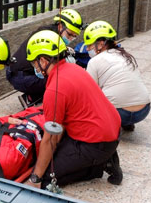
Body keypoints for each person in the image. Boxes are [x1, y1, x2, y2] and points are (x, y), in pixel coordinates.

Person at [23, 30, 123, 189]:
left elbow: (51, 139)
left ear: (43, 61)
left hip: (96, 143)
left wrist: (36, 178)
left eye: (34, 63)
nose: (34, 67)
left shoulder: (55, 88)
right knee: (57, 153)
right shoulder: (74, 69)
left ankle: (97, 166)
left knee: (48, 179)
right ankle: (104, 157)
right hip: (113, 131)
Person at [5, 9, 84, 107]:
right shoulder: (46, 37)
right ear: (60, 26)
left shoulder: (51, 33)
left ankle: (35, 94)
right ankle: (31, 98)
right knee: (59, 78)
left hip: (21, 72)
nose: (70, 38)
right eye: (69, 34)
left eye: (74, 36)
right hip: (19, 76)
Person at [83, 20, 150, 132]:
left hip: (119, 113)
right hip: (144, 110)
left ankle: (113, 123)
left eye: (90, 45)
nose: (87, 49)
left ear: (100, 44)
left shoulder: (95, 61)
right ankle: (127, 124)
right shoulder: (125, 55)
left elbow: (89, 92)